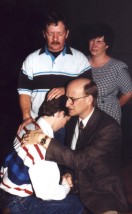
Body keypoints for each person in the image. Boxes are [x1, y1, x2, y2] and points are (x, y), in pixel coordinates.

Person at [24, 78, 129, 214]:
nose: (67, 103)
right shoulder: (73, 119)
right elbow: (67, 153)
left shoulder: (109, 128)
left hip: (100, 191)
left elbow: (80, 160)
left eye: (72, 99)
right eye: (67, 98)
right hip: (73, 186)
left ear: (89, 99)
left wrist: (42, 138)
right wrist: (68, 173)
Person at [0, 95, 84, 214]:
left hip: (5, 193)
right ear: (59, 114)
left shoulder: (28, 126)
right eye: (66, 120)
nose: (64, 125)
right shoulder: (44, 149)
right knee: (79, 203)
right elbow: (47, 193)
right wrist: (65, 184)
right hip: (19, 203)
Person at [17, 11, 92, 131]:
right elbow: (24, 91)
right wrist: (26, 117)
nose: (55, 38)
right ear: (44, 34)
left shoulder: (80, 59)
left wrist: (66, 90)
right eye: (51, 33)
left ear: (67, 34)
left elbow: (89, 90)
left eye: (60, 34)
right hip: (38, 123)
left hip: (69, 123)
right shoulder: (31, 59)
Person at [87, 23, 132, 124]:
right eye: (92, 40)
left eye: (99, 42)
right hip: (85, 116)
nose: (94, 45)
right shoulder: (82, 62)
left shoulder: (117, 67)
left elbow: (128, 93)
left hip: (108, 117)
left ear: (107, 45)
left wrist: (114, 106)